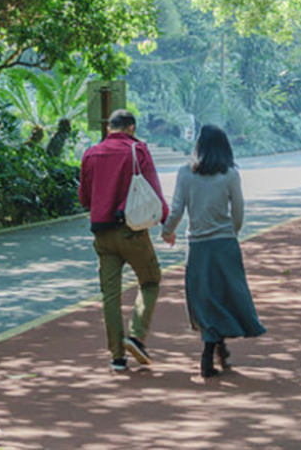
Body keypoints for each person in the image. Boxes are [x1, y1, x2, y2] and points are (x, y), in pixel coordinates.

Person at [161, 124, 266, 378]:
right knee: (227, 295)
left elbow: (176, 209)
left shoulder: (185, 173)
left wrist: (167, 232)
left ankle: (211, 350)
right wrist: (232, 232)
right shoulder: (230, 174)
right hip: (224, 244)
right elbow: (238, 211)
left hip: (197, 246)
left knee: (204, 297)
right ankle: (214, 349)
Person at [79, 109, 170, 371]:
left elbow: (84, 197)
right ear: (131, 128)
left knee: (110, 294)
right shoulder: (137, 150)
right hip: (131, 230)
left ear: (109, 128)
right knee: (150, 280)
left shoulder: (91, 153)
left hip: (102, 234)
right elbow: (152, 189)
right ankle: (136, 336)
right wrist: (165, 222)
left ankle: (117, 357)